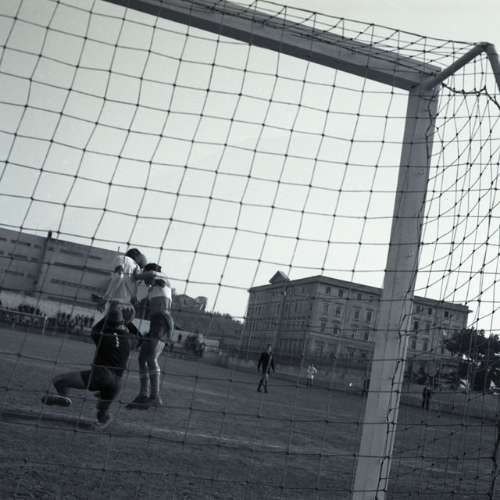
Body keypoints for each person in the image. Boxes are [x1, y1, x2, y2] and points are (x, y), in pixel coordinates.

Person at [41, 308, 133, 429]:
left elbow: (94, 329)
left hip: (101, 376)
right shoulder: (128, 339)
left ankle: (63, 397)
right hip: (117, 383)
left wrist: (108, 314)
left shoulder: (102, 335)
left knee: (59, 380)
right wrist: (126, 320)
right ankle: (103, 419)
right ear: (121, 323)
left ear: (107, 321)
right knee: (101, 413)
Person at [126, 263, 174, 409]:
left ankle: (155, 397)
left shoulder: (162, 277)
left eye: (144, 275)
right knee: (142, 358)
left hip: (162, 320)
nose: (144, 280)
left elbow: (152, 274)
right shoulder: (153, 288)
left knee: (151, 358)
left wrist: (136, 276)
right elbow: (136, 299)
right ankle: (143, 395)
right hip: (156, 322)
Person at [92, 248, 147, 337]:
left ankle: (138, 338)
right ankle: (139, 337)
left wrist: (105, 299)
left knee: (99, 333)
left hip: (117, 307)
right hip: (129, 309)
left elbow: (119, 276)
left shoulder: (122, 258)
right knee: (112, 334)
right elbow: (139, 290)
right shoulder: (137, 268)